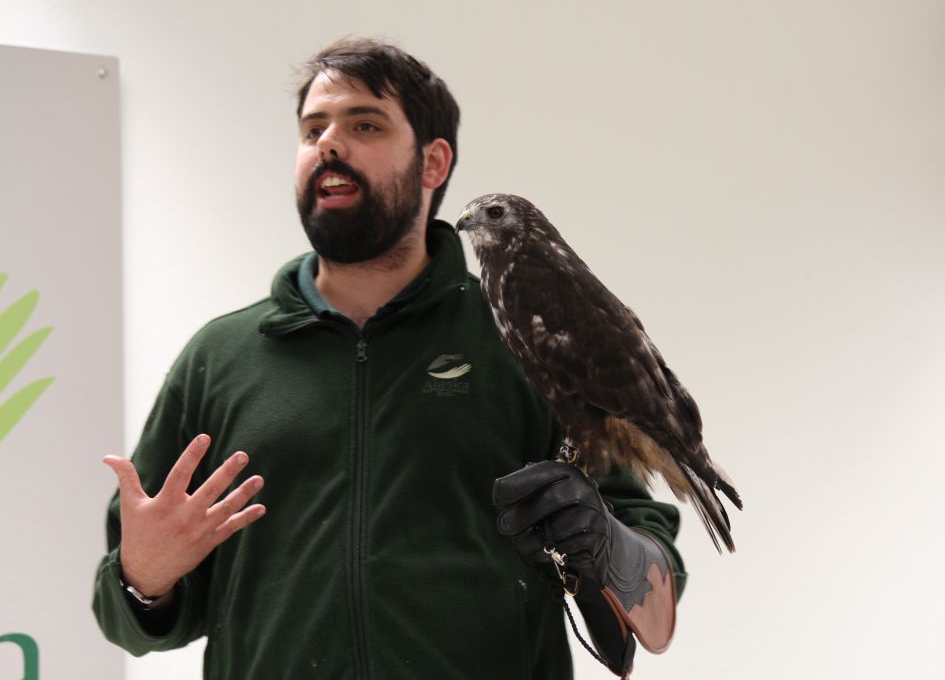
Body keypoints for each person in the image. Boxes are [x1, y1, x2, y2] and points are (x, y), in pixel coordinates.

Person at [92, 37, 686, 679]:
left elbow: (653, 599)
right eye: (313, 129)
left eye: (364, 124)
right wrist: (143, 577)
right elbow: (122, 619)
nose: (329, 144)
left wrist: (608, 547)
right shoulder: (220, 357)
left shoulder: (521, 340)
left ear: (433, 163)